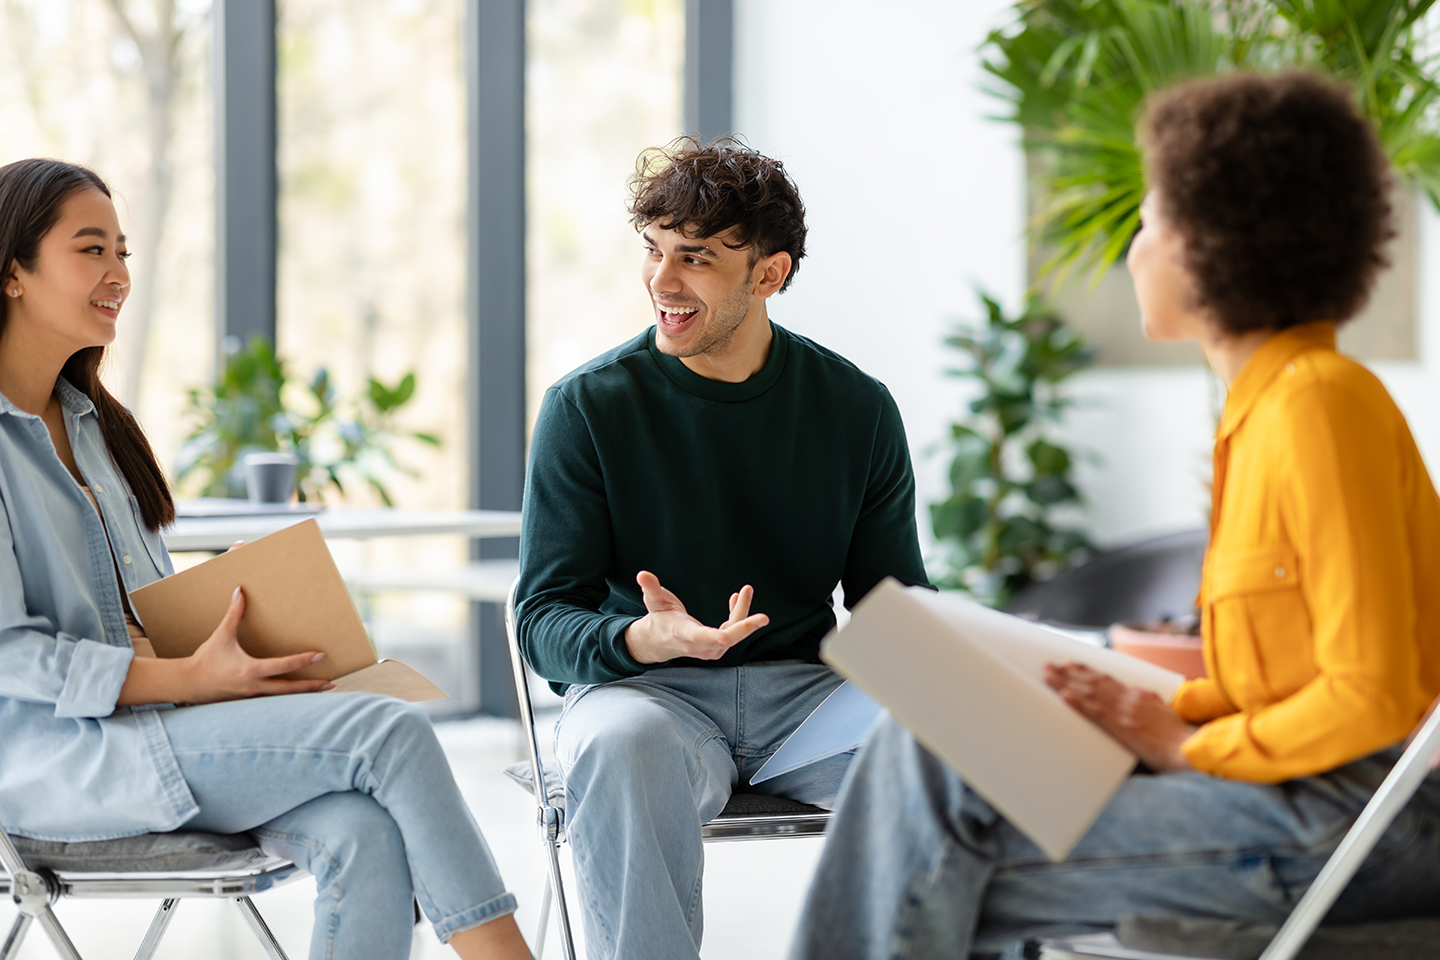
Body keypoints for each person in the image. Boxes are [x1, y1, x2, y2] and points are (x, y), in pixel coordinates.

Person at [788, 70, 1440, 960]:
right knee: (931, 747)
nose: (1136, 250)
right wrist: (1156, 707)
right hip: (1298, 791)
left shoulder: (1321, 405)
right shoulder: (1268, 410)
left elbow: (1375, 694)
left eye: (1153, 221)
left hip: (1359, 817)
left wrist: (1189, 747)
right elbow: (1288, 674)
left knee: (928, 836)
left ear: (1218, 242)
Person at [0, 158, 531, 960]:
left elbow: (136, 616)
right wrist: (192, 678)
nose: (118, 273)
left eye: (123, 251)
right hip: (58, 764)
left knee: (363, 831)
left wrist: (231, 624)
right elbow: (12, 653)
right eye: (91, 250)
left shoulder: (92, 427)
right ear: (13, 272)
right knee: (389, 734)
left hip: (162, 731)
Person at [514, 136, 930, 960]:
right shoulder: (587, 409)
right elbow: (541, 621)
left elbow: (893, 603)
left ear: (767, 274)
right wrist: (641, 638)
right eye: (655, 251)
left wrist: (971, 665)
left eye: (695, 258)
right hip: (649, 696)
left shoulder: (857, 409)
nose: (662, 283)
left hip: (811, 702)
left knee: (958, 736)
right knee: (620, 745)